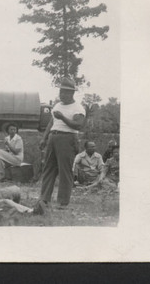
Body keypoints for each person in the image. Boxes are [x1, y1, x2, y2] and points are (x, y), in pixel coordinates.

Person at [38, 77, 86, 209]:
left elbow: (78, 125)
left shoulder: (78, 108)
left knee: (65, 171)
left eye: (65, 92)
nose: (62, 94)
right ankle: (44, 199)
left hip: (67, 139)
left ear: (72, 93)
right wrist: (44, 138)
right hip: (53, 138)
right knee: (48, 169)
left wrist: (63, 117)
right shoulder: (57, 105)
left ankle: (63, 202)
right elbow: (52, 122)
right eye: (61, 92)